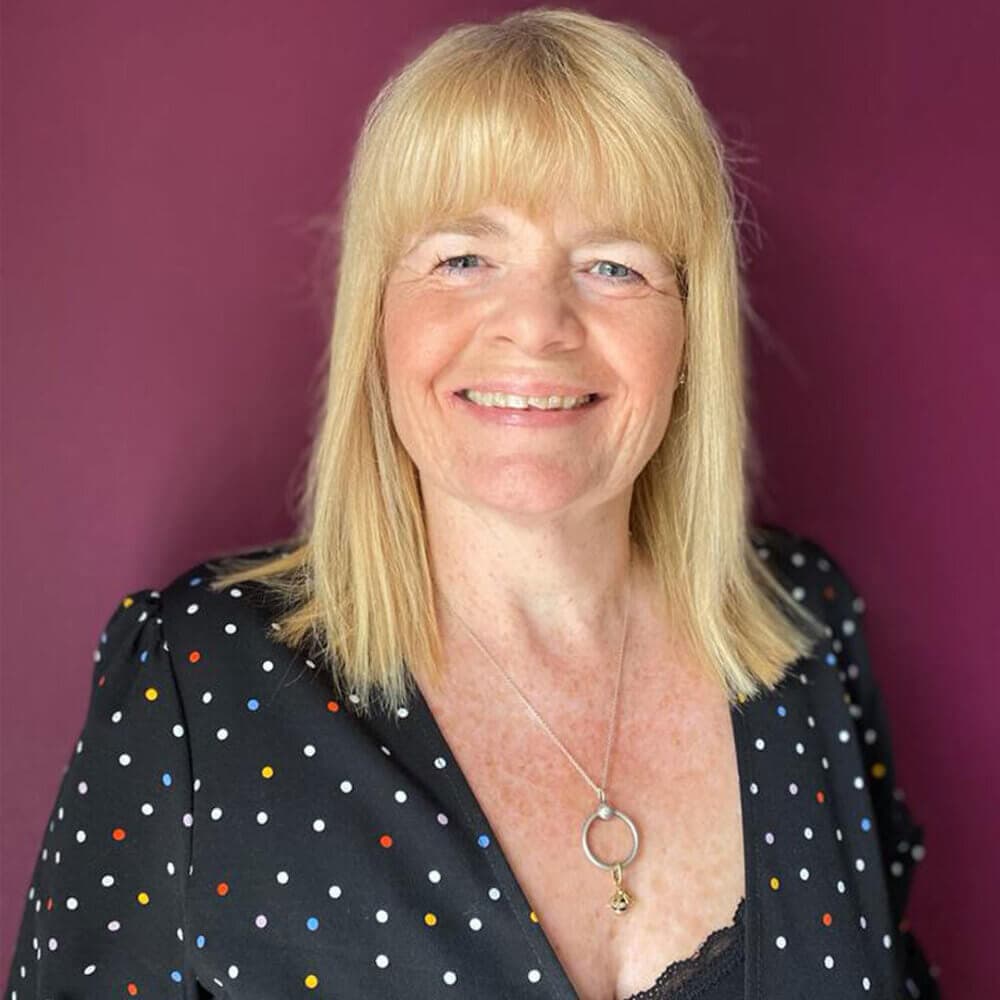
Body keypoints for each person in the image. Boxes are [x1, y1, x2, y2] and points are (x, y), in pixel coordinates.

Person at [4, 7, 941, 999]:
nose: (535, 325)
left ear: (686, 333)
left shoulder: (806, 631)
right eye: (463, 258)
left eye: (612, 265)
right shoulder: (196, 683)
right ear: (378, 316)